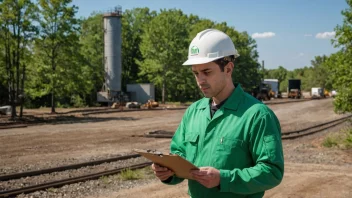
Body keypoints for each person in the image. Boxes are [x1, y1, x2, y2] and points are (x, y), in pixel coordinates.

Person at [151, 29, 284, 198]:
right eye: (196, 73)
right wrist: (168, 172)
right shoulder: (194, 112)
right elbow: (181, 156)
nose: (200, 81)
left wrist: (224, 179)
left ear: (228, 68)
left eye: (207, 72)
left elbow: (272, 171)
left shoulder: (257, 115)